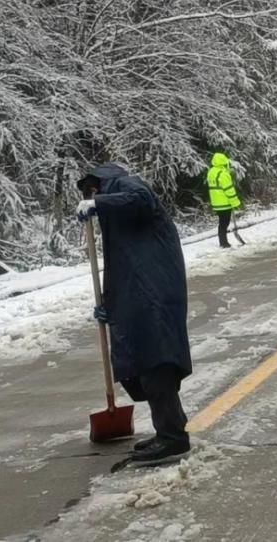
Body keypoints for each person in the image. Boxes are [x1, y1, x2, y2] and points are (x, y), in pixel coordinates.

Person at [76, 163, 192, 467]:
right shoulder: (119, 223)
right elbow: (121, 267)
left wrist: (97, 202)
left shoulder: (125, 185)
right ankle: (170, 429)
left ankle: (173, 438)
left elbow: (141, 199)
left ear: (99, 183)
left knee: (156, 361)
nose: (92, 196)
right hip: (142, 294)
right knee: (147, 362)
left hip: (155, 293)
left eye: (91, 190)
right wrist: (109, 305)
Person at [205, 152, 241, 248]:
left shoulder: (211, 172)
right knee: (225, 223)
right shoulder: (223, 173)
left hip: (216, 202)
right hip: (224, 202)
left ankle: (223, 241)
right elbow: (229, 189)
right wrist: (235, 202)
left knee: (222, 222)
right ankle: (224, 243)